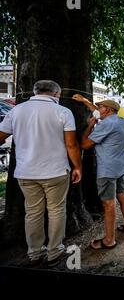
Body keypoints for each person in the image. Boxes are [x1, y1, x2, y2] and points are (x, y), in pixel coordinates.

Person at [0, 80, 82, 267]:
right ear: (56, 94)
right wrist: (78, 167)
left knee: (33, 213)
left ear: (36, 92)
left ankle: (35, 253)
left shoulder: (16, 110)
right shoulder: (63, 112)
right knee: (56, 211)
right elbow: (71, 144)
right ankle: (54, 252)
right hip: (56, 172)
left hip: (26, 172)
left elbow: (1, 136)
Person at [72, 94, 124, 250]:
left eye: (100, 107)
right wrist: (86, 102)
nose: (97, 110)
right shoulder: (120, 121)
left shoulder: (105, 125)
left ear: (107, 110)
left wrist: (91, 125)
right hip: (121, 166)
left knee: (108, 203)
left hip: (108, 170)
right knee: (122, 194)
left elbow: (85, 144)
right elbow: (97, 113)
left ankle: (109, 240)